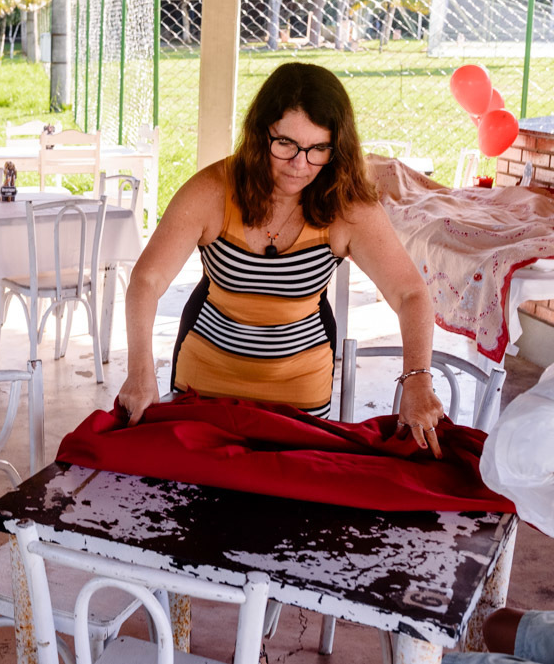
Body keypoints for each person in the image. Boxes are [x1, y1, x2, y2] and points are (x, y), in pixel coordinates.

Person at [117, 62, 446, 456]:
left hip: (300, 399)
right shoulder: (211, 191)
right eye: (286, 144)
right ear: (261, 134)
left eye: (318, 149)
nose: (300, 164)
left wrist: (417, 380)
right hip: (204, 390)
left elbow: (409, 293)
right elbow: (147, 280)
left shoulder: (347, 207)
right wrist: (140, 371)